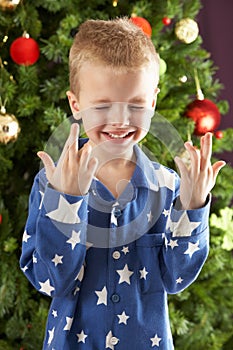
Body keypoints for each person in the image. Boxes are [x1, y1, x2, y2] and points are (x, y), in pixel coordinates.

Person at [20, 18, 225, 349]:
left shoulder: (167, 185)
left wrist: (193, 206)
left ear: (153, 103)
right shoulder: (51, 184)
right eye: (102, 106)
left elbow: (176, 277)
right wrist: (67, 203)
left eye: (135, 106)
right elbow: (48, 281)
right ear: (76, 105)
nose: (120, 120)